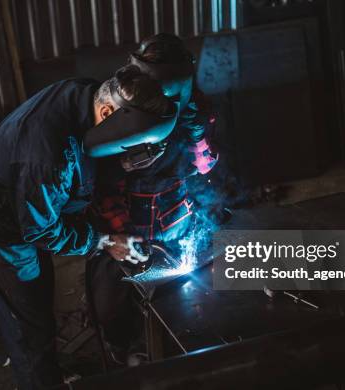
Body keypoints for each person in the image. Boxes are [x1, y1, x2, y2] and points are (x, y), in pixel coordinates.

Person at [0, 65, 177, 389]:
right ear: (108, 111)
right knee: (29, 318)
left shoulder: (88, 94)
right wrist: (103, 241)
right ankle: (40, 380)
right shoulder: (48, 156)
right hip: (2, 220)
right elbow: (41, 231)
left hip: (36, 198)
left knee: (42, 291)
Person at [89, 33, 219, 363]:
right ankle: (125, 349)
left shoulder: (192, 106)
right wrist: (119, 229)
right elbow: (102, 178)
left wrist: (201, 147)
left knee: (183, 292)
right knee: (114, 302)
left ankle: (176, 346)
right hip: (127, 210)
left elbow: (199, 147)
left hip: (174, 210)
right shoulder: (123, 105)